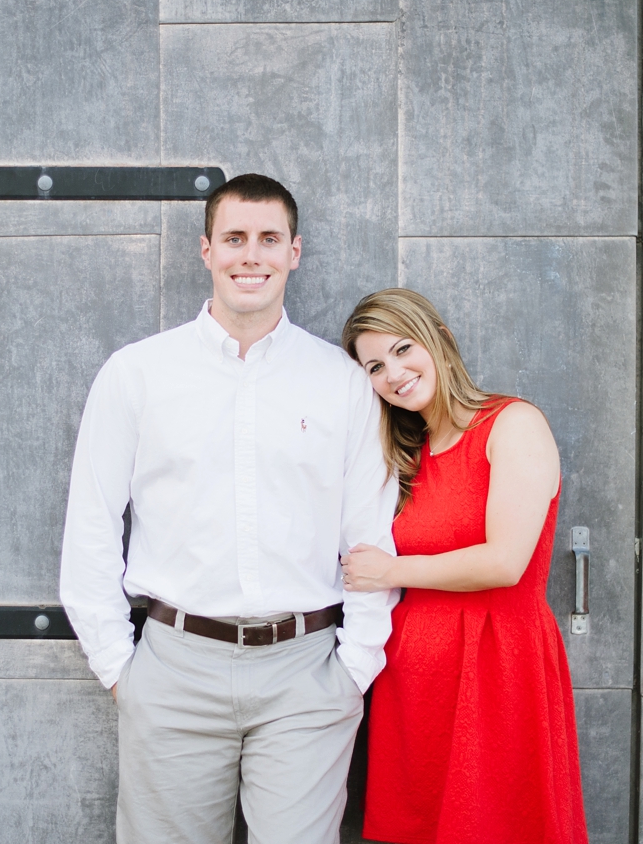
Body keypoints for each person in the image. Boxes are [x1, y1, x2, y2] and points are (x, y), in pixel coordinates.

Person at [60, 174, 399, 844]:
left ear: (294, 252)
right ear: (206, 250)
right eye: (236, 238)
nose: (253, 255)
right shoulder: (137, 374)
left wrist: (354, 669)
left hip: (307, 675)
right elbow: (92, 526)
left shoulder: (340, 382)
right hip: (174, 669)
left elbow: (370, 534)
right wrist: (121, 670)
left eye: (269, 239)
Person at [339, 288, 588, 844]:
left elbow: (506, 562)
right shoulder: (409, 454)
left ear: (441, 341)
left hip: (500, 665)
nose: (394, 373)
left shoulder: (512, 424)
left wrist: (391, 571)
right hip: (416, 682)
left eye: (404, 349)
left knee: (497, 824)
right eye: (375, 366)